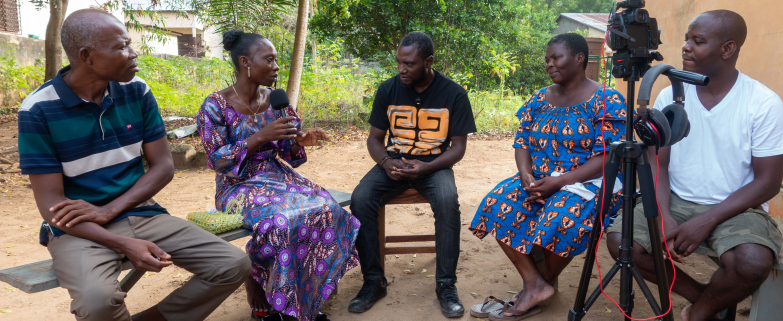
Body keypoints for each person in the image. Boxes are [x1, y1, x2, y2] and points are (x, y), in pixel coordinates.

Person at [17, 9, 251, 321]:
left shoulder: (136, 90)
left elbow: (163, 166)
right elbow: (52, 206)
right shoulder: (38, 109)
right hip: (77, 231)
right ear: (87, 56)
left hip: (141, 213)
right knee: (98, 302)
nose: (133, 52)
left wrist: (108, 211)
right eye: (121, 47)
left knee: (232, 264)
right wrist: (120, 241)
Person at [605, 10, 783, 321]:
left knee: (753, 263)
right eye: (686, 39)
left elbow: (767, 183)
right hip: (676, 199)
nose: (686, 47)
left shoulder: (763, 103)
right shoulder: (671, 95)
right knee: (622, 243)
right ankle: (699, 296)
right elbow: (657, 164)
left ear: (728, 48)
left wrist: (706, 220)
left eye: (698, 40)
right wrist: (662, 212)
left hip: (736, 207)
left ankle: (700, 313)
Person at [195, 30, 360, 321]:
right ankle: (263, 294)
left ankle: (304, 303)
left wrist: (300, 141)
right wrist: (257, 138)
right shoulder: (214, 106)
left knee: (327, 210)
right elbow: (216, 160)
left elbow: (288, 153)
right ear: (245, 62)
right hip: (238, 185)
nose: (276, 66)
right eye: (269, 60)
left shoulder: (277, 100)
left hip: (279, 177)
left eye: (276, 60)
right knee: (280, 222)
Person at [468, 33, 627, 321]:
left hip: (589, 181)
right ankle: (536, 284)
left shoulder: (607, 99)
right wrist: (527, 176)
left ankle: (540, 282)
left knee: (562, 214)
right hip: (540, 178)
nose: (549, 65)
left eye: (556, 58)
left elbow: (607, 156)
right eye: (547, 60)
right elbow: (522, 143)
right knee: (498, 201)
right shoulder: (539, 98)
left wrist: (559, 182)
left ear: (580, 58)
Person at [347, 31, 476, 318]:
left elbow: (458, 147)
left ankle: (445, 286)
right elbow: (375, 139)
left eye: (410, 64)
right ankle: (374, 282)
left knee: (447, 201)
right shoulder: (388, 89)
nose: (402, 70)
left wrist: (428, 167)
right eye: (399, 63)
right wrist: (384, 163)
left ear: (428, 61)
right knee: (361, 198)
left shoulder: (453, 93)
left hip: (434, 166)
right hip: (394, 163)